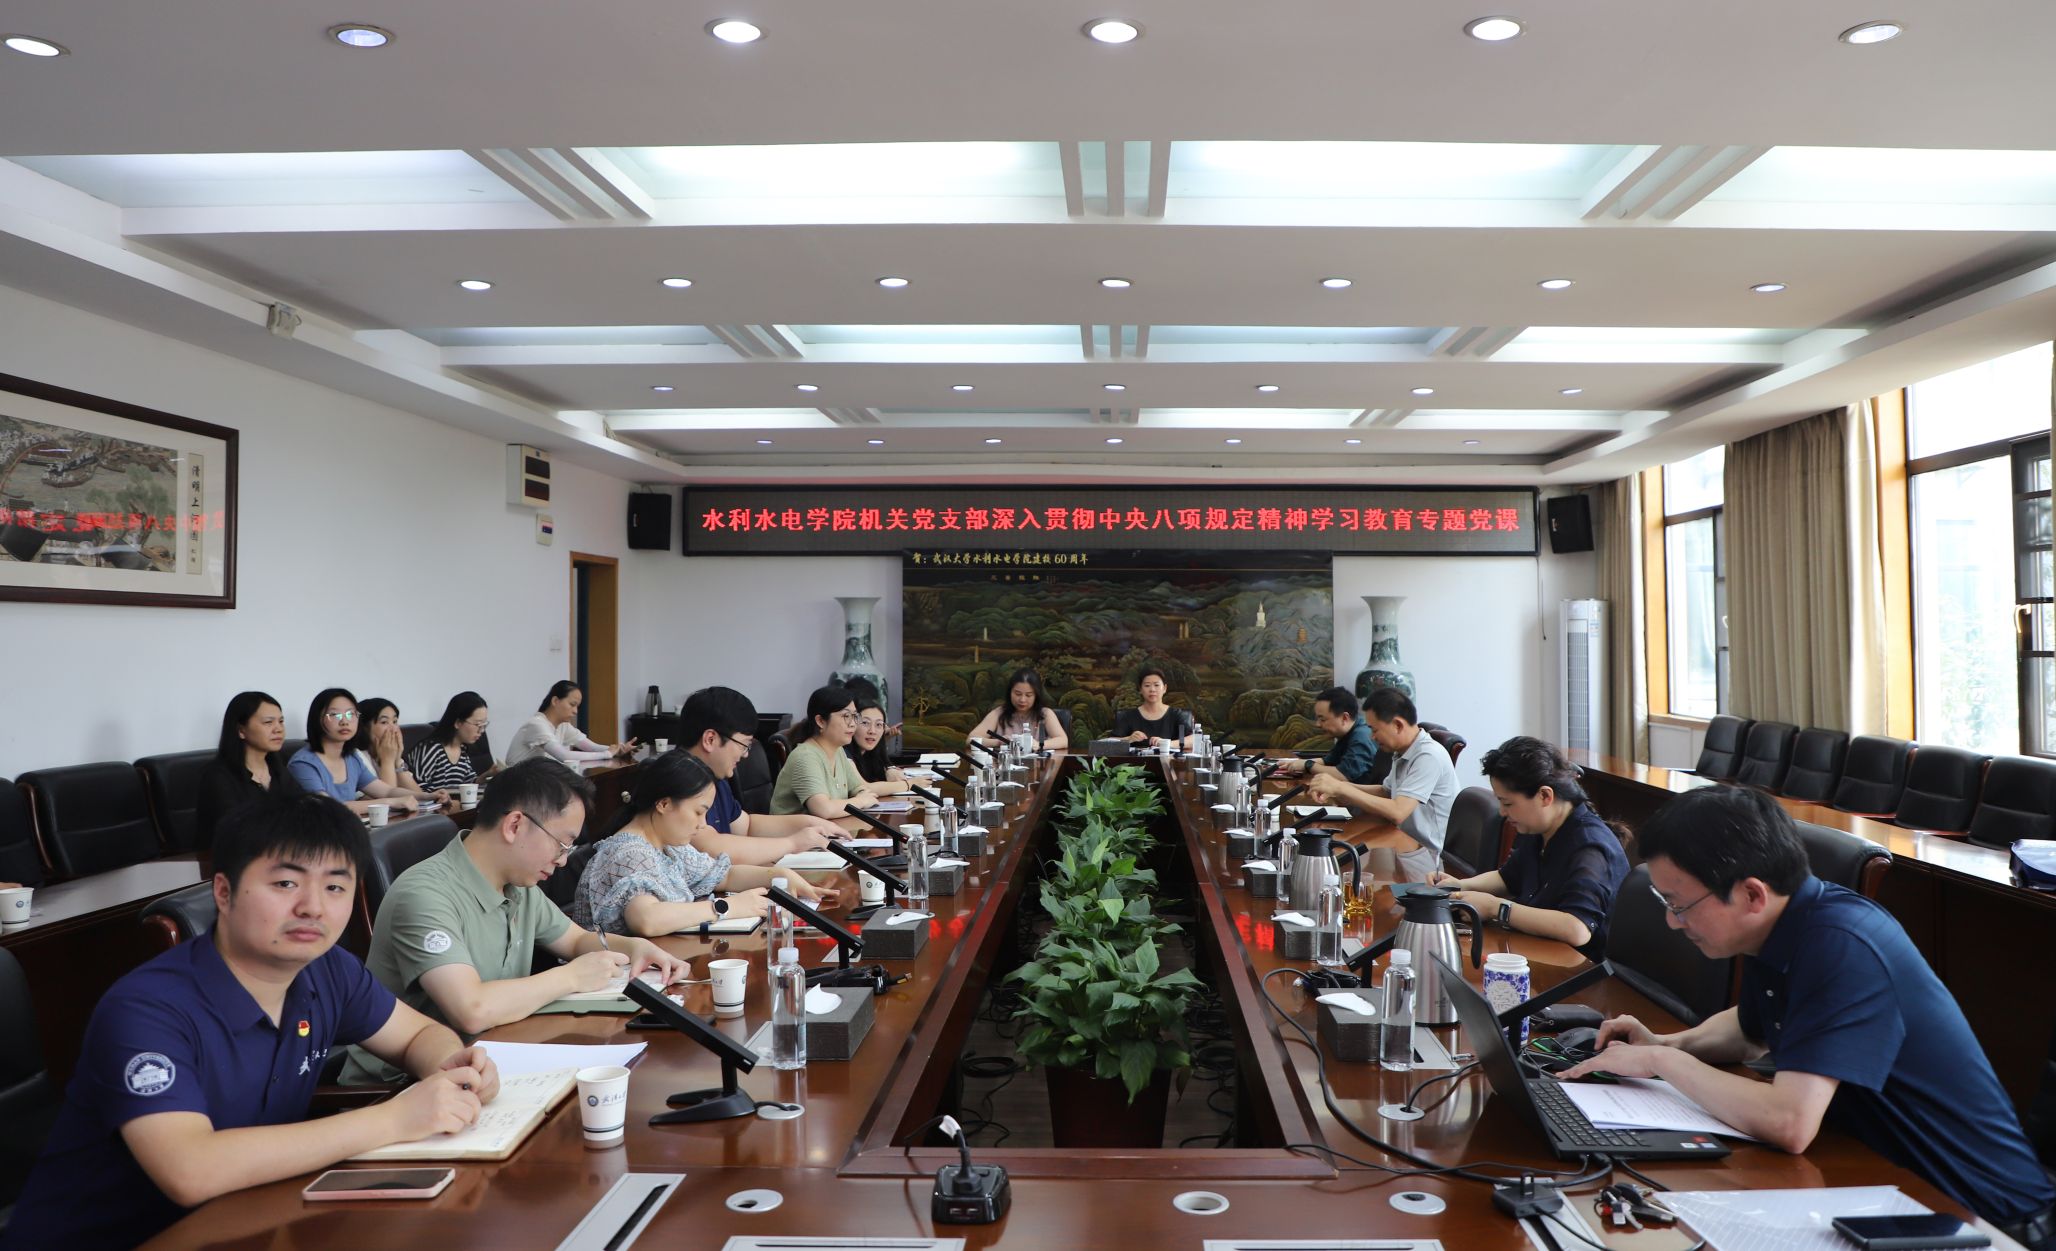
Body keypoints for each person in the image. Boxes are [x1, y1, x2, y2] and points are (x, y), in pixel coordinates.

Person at [0, 794, 501, 1250]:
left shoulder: (327, 969)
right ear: (224, 891)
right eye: (285, 883)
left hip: (246, 1221)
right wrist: (393, 1119)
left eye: (335, 886)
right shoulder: (146, 1009)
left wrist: (451, 1068)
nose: (312, 907)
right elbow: (190, 1170)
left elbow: (419, 1034)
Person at [1561, 786, 2056, 1247]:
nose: (1673, 921)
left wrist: (1663, 1064)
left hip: (1978, 1217)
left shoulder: (1840, 944)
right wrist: (1666, 1044)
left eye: (1679, 904)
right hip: (1877, 1183)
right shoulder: (1782, 925)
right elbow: (1749, 1029)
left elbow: (1789, 1122)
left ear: (1752, 894)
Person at [339, 759, 687, 1085]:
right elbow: (471, 1010)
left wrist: (635, 947)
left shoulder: (517, 884)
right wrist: (570, 976)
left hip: (495, 1059)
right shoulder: (424, 895)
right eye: (562, 844)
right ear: (515, 825)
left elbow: (575, 941)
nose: (563, 861)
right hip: (405, 1086)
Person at [572, 752, 840, 937]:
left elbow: (725, 875)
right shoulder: (628, 853)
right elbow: (647, 920)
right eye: (699, 812)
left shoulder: (668, 845)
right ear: (664, 804)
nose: (703, 824)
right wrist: (727, 908)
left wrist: (779, 876)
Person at [1426, 736, 1630, 958]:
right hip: (1538, 950)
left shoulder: (1590, 848)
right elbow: (1508, 878)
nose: (1502, 812)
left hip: (1578, 966)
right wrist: (1460, 887)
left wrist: (1496, 908)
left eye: (1507, 803)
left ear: (1545, 796)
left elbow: (1577, 929)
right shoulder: (1541, 828)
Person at [1305, 688, 1455, 881]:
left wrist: (1341, 787)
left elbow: (1398, 811)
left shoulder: (1428, 756)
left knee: (1353, 884)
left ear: (1397, 725)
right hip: (1403, 845)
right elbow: (1386, 792)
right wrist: (1338, 787)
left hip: (1429, 861)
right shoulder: (1403, 751)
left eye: (1375, 730)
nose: (1372, 737)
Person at [679, 686, 848, 855]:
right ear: (710, 739)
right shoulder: (678, 783)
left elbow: (747, 826)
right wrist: (792, 844)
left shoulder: (714, 778)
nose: (745, 754)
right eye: (744, 745)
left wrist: (813, 823)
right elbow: (711, 847)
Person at [194, 690, 303, 854]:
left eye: (281, 721)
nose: (279, 729)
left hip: (279, 852)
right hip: (234, 859)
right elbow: (238, 832)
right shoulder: (217, 776)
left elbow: (303, 808)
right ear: (241, 730)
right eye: (268, 722)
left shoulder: (278, 768)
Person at [287, 689, 420, 818]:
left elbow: (387, 791)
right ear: (318, 719)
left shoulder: (351, 757)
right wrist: (391, 802)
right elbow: (329, 806)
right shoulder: (302, 763)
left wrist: (428, 796)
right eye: (335, 715)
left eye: (350, 714)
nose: (344, 721)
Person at [770, 685, 883, 818]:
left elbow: (859, 788)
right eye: (846, 716)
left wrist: (862, 795)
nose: (853, 724)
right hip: (797, 830)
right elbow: (823, 809)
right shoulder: (805, 757)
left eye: (854, 716)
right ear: (821, 721)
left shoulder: (838, 750)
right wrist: (861, 801)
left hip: (830, 827)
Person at [505, 680, 637, 766]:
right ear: (555, 701)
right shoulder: (537, 725)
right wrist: (607, 754)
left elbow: (590, 747)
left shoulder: (563, 726)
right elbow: (564, 756)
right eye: (572, 704)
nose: (575, 711)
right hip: (516, 784)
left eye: (577, 706)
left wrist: (617, 750)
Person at [352, 698, 448, 807]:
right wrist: (387, 761)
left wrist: (397, 761)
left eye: (395, 721)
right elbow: (387, 803)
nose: (394, 729)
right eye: (384, 722)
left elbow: (419, 798)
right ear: (364, 728)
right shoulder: (356, 757)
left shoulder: (391, 752)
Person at [1279, 686, 1376, 785]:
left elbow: (1343, 775)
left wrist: (1307, 765)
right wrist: (1294, 763)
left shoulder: (1361, 737)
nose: (1317, 724)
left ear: (1344, 718)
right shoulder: (1348, 732)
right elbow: (1327, 761)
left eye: (1322, 719)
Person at [405, 691, 489, 795]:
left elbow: (468, 783)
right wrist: (443, 797)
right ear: (458, 723)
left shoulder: (462, 750)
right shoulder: (431, 749)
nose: (481, 730)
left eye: (484, 724)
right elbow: (418, 786)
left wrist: (488, 775)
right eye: (478, 724)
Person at [965, 668, 1069, 751]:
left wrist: (1039, 744)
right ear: (1010, 692)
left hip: (1038, 766)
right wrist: (998, 742)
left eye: (1028, 695)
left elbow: (1063, 741)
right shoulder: (999, 713)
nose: (1022, 700)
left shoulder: (1045, 714)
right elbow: (970, 740)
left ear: (1036, 696)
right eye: (1018, 694)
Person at [1114, 666, 1194, 749]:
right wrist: (1128, 739)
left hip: (1168, 757)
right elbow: (1110, 742)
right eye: (1147, 685)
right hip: (1136, 758)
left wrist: (1167, 744)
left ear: (1164, 688)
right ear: (1140, 689)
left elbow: (1193, 740)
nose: (1152, 689)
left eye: (1156, 685)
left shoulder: (1176, 714)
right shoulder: (1128, 716)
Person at [846, 696, 906, 787]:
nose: (872, 731)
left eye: (878, 724)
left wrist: (890, 768)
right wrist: (909, 784)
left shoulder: (870, 754)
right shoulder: (842, 753)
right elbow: (861, 787)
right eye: (865, 723)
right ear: (851, 725)